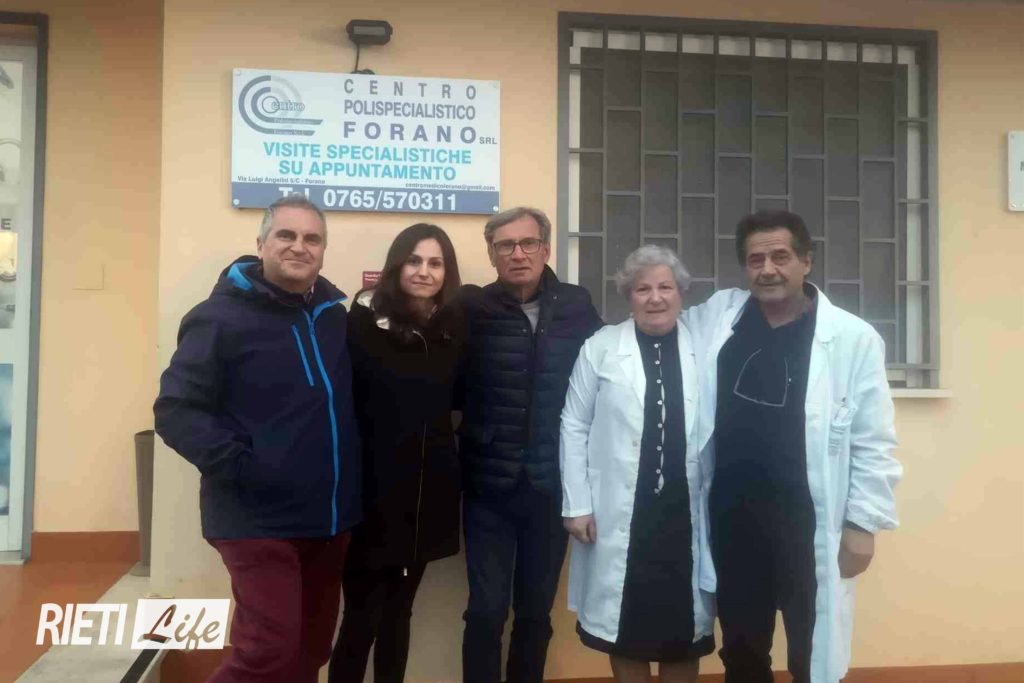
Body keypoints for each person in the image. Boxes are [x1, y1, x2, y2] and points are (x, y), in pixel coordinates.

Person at [683, 210, 902, 683]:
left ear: (807, 261)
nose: (768, 269)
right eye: (755, 259)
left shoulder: (851, 337)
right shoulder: (721, 317)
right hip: (733, 519)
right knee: (742, 649)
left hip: (808, 520)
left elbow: (874, 438)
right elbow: (658, 315)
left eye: (780, 257)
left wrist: (863, 523)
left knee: (812, 649)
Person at [153, 194, 361, 683]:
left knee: (311, 649)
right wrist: (245, 467)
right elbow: (176, 410)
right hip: (255, 518)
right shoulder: (218, 317)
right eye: (286, 235)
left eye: (312, 238)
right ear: (262, 243)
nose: (299, 246)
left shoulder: (334, 316)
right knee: (267, 651)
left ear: (323, 250)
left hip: (329, 517)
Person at [458, 206, 603, 683]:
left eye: (527, 243)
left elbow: (606, 374)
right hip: (488, 488)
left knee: (536, 613)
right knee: (485, 610)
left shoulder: (577, 305)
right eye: (505, 245)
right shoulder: (473, 308)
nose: (517, 253)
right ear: (491, 254)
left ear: (545, 249)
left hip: (550, 486)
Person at [561, 245, 715, 683]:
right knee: (624, 629)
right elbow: (573, 424)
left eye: (665, 287)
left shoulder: (703, 348)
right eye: (643, 289)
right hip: (620, 511)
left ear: (681, 294)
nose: (655, 298)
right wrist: (577, 504)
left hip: (684, 514)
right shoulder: (601, 347)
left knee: (685, 629)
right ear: (628, 296)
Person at [329, 223, 464, 683]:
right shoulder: (362, 321)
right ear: (396, 265)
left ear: (447, 272)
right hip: (370, 500)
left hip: (426, 499)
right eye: (414, 260)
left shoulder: (453, 327)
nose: (424, 271)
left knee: (399, 614)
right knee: (361, 616)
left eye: (435, 263)